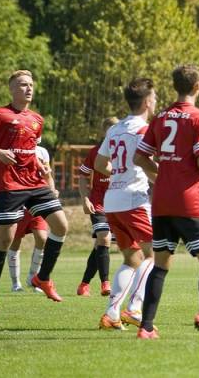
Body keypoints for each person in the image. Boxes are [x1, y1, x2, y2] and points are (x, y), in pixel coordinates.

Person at [134, 64, 199, 339]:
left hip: (162, 200)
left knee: (161, 263)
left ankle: (146, 327)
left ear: (175, 87)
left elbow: (140, 157)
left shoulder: (160, 117)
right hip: (189, 201)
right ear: (197, 86)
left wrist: (163, 175)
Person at [0, 70, 69, 313]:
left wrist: (40, 164)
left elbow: (30, 149)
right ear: (12, 89)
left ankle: (42, 278)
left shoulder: (37, 119)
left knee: (61, 226)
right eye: (23, 85)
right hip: (9, 186)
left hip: (35, 183)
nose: (29, 89)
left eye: (31, 85)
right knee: (6, 239)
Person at [94, 79, 156, 331]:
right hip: (134, 200)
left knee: (132, 259)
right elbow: (146, 163)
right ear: (147, 102)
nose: (155, 101)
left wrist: (120, 174)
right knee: (154, 254)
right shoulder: (144, 130)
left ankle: (111, 314)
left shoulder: (114, 129)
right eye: (154, 97)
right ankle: (134, 309)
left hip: (112, 200)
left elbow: (100, 164)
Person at [77, 116, 119, 297]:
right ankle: (105, 284)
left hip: (119, 204)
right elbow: (82, 176)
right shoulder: (96, 152)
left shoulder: (124, 151)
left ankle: (84, 284)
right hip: (98, 203)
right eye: (110, 130)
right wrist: (85, 199)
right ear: (104, 132)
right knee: (104, 237)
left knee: (100, 245)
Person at [7, 145, 54, 293]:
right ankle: (16, 283)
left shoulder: (42, 151)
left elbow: (47, 175)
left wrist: (52, 191)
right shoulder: (15, 148)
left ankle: (33, 278)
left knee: (42, 238)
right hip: (19, 201)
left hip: (37, 200)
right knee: (15, 241)